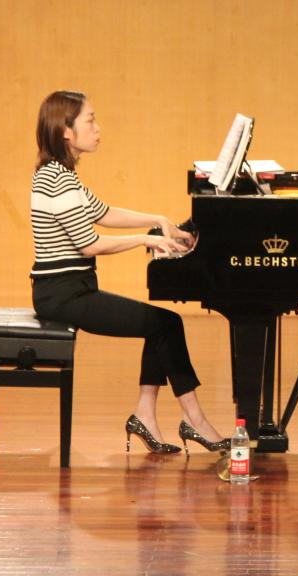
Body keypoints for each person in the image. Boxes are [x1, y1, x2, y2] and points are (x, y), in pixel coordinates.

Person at [30, 90, 228, 455]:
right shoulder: (56, 180)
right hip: (62, 295)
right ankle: (195, 421)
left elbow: (104, 213)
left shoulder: (63, 175)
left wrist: (160, 220)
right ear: (66, 131)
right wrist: (145, 239)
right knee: (165, 324)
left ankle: (145, 416)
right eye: (90, 120)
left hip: (71, 289)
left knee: (161, 324)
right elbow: (89, 244)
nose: (98, 128)